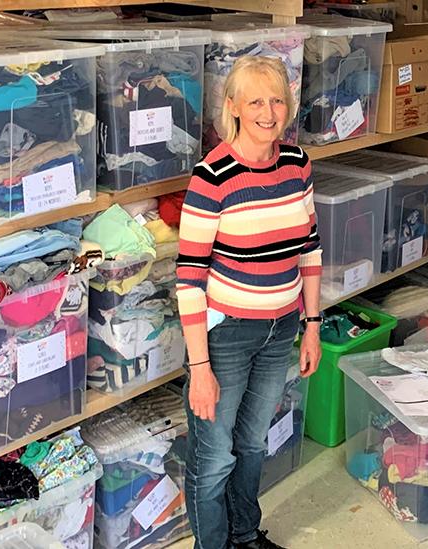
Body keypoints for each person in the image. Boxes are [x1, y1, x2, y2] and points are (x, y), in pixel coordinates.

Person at [176, 56, 322, 549]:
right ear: (233, 106)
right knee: (214, 456)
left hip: (281, 327)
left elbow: (310, 248)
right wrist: (199, 367)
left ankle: (244, 536)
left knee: (253, 444)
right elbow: (189, 279)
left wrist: (313, 325)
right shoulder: (212, 176)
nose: (268, 110)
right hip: (227, 335)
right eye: (256, 100)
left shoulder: (297, 163)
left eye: (277, 99)